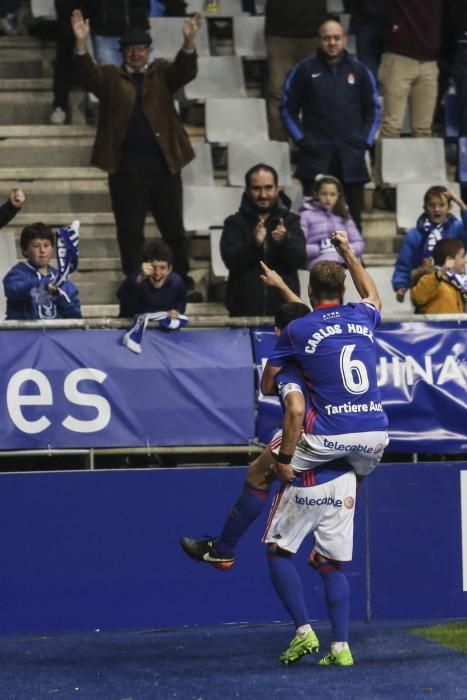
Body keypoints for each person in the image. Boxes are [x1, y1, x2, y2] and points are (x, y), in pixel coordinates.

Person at [182, 232, 388, 666]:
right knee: (352, 475)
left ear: (312, 293)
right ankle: (340, 642)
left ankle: (223, 548)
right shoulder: (363, 315)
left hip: (330, 434)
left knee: (263, 468)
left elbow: (290, 391)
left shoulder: (296, 335)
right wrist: (346, 252)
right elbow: (365, 295)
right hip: (376, 434)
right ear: (344, 290)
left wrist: (286, 461)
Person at [71, 9, 202, 297]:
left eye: (140, 49)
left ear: (149, 51)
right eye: (130, 49)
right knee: (129, 231)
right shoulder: (109, 77)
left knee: (174, 229)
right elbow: (87, 76)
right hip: (125, 166)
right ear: (122, 53)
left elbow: (186, 71)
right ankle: (135, 281)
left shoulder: (163, 73)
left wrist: (189, 43)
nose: (135, 54)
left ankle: (181, 279)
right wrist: (81, 43)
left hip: (164, 164)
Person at [280, 16, 380, 233]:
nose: (332, 42)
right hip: (315, 156)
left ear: (344, 39)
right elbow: (287, 107)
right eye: (327, 38)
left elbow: (373, 109)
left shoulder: (360, 71)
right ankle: (315, 265)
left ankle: (354, 263)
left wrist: (364, 141)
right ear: (319, 40)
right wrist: (303, 140)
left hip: (351, 156)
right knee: (312, 221)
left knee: (353, 220)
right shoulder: (303, 70)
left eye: (336, 38)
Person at [373, 0, 443, 209]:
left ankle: (423, 189)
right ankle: (381, 188)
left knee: (423, 129)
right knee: (391, 127)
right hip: (398, 57)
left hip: (430, 61)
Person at [220, 163, 306, 317]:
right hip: (243, 315)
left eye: (268, 188)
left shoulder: (290, 221)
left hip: (285, 315)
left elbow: (299, 260)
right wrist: (254, 244)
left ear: (277, 189)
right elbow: (230, 262)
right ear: (247, 190)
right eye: (256, 188)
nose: (263, 194)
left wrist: (284, 241)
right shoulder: (234, 223)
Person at [263, 0, 327, 141]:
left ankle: (315, 146)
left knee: (316, 93)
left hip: (313, 31)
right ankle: (279, 146)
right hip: (278, 32)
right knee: (278, 92)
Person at [392, 186, 467, 304]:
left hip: (454, 287)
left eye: (442, 205)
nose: (437, 209)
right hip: (423, 290)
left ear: (450, 207)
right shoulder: (414, 235)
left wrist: (461, 204)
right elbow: (404, 263)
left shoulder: (458, 228)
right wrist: (401, 285)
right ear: (425, 208)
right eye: (432, 205)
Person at [3, 222, 81, 320]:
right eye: (36, 246)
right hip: (24, 334)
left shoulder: (61, 279)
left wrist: (59, 298)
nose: (42, 250)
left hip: (56, 335)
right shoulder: (17, 273)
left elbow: (76, 317)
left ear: (52, 248)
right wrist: (43, 286)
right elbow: (14, 292)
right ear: (25, 250)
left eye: (46, 245)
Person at [299, 174, 364, 269]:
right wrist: (321, 248)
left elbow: (359, 243)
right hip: (317, 264)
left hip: (343, 261)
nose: (328, 198)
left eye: (332, 194)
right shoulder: (305, 215)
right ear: (316, 194)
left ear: (338, 195)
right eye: (324, 194)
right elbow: (299, 246)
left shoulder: (344, 216)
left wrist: (345, 249)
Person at [117, 239, 186, 318]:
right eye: (153, 267)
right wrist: (140, 278)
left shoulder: (176, 282)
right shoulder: (137, 278)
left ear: (169, 268)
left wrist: (177, 311)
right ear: (144, 266)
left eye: (162, 268)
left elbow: (181, 301)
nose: (157, 273)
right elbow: (121, 296)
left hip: (162, 328)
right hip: (135, 327)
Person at [410, 238, 467, 313]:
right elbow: (417, 297)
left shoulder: (458, 282)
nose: (465, 261)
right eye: (462, 257)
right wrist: (440, 273)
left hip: (455, 325)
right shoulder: (432, 280)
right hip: (436, 325)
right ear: (449, 260)